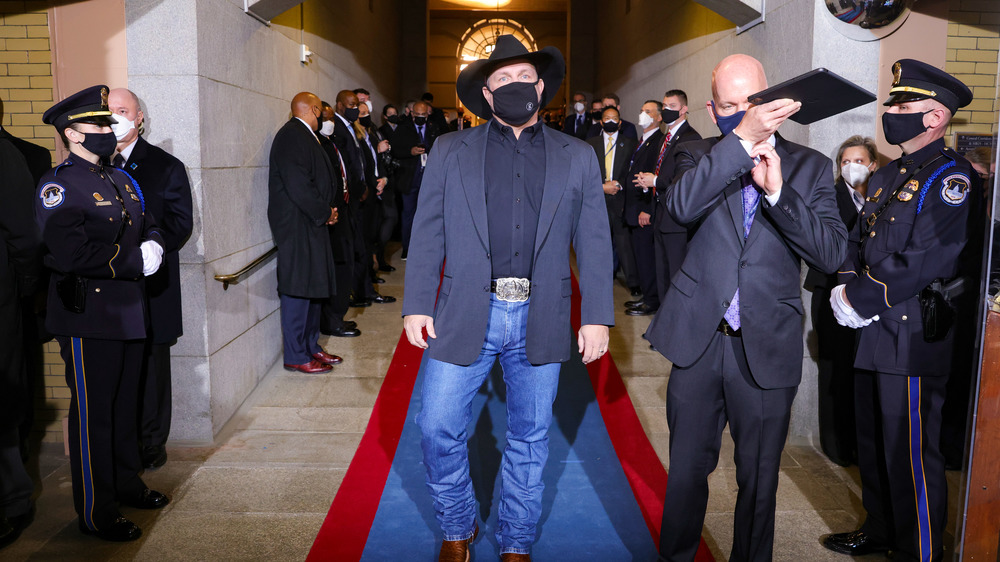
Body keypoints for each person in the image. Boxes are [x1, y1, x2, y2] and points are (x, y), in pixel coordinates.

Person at [402, 35, 613, 562]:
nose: (514, 87)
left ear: (541, 86)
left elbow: (593, 242)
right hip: (464, 309)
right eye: (502, 81)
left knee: (529, 435)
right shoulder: (450, 151)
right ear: (486, 95)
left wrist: (597, 318)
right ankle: (458, 525)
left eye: (523, 78)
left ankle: (516, 539)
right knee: (436, 425)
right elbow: (427, 231)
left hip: (542, 313)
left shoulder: (579, 155)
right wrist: (416, 302)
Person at [644, 55, 847, 561]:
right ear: (714, 111)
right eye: (731, 106)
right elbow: (681, 207)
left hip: (766, 341)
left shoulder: (811, 166)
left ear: (772, 101)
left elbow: (830, 253)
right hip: (699, 338)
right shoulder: (696, 155)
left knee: (759, 480)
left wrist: (779, 194)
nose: (744, 113)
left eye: (752, 102)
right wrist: (740, 144)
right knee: (688, 471)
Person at [822, 59, 980, 562]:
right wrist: (844, 286)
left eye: (903, 105)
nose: (891, 112)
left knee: (909, 450)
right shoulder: (888, 172)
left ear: (934, 117)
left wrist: (861, 298)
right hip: (872, 330)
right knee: (871, 440)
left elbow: (928, 257)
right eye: (893, 103)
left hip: (910, 334)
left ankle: (921, 550)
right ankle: (882, 528)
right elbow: (858, 238)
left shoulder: (949, 177)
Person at [36, 85, 173, 541]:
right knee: (94, 415)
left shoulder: (118, 177)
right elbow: (72, 252)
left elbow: (146, 218)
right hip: (89, 316)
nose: (107, 130)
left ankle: (127, 483)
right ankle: (97, 510)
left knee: (123, 407)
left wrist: (154, 241)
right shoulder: (59, 185)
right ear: (73, 134)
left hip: (130, 310)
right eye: (98, 124)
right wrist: (135, 260)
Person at [107, 88, 194, 470]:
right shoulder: (92, 166)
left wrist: (149, 248)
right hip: (107, 291)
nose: (116, 119)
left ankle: (151, 443)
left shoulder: (165, 166)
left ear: (139, 117)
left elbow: (180, 224)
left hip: (150, 288)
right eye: (108, 112)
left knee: (152, 370)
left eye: (123, 111)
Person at [804, 135, 877, 467]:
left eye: (860, 161)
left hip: (870, 296)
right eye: (846, 161)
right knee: (834, 368)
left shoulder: (882, 196)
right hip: (831, 290)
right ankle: (836, 445)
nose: (853, 167)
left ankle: (861, 445)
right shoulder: (829, 197)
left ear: (872, 165)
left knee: (861, 371)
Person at [267, 91, 342, 374]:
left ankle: (311, 346)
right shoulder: (291, 136)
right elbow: (298, 184)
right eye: (322, 111)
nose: (324, 116)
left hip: (312, 223)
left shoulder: (304, 135)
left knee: (314, 287)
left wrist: (327, 212)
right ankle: (296, 355)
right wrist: (325, 212)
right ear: (313, 109)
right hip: (298, 225)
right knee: (299, 289)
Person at [0, 108, 42, 551]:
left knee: (4, 399)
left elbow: (24, 236)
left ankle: (13, 501)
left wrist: (25, 290)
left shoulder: (6, 154)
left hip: (3, 301)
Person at [634, 89, 702, 303]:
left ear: (684, 109)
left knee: (675, 275)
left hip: (676, 221)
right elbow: (661, 170)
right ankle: (663, 325)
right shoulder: (665, 138)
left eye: (671, 106)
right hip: (660, 216)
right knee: (662, 274)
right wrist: (648, 181)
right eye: (664, 106)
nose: (666, 110)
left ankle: (676, 329)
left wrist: (655, 181)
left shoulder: (691, 138)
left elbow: (684, 180)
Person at [317, 102, 360, 339]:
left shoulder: (335, 143)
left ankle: (338, 317)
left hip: (344, 213)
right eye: (325, 117)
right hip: (330, 218)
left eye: (331, 117)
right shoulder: (318, 146)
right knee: (337, 269)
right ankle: (332, 321)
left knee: (346, 265)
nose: (329, 122)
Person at [587, 106, 639, 296]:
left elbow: (632, 173)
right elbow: (586, 173)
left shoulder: (631, 143)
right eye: (606, 118)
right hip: (597, 200)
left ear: (620, 122)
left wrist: (618, 186)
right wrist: (601, 186)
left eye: (614, 118)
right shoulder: (590, 144)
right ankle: (599, 279)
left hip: (620, 200)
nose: (610, 121)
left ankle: (633, 283)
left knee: (624, 243)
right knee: (598, 243)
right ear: (601, 122)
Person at [622, 100, 665, 317]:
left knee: (647, 258)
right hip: (633, 208)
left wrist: (647, 209)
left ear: (659, 117)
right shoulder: (643, 140)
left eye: (648, 112)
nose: (643, 115)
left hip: (644, 210)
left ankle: (652, 301)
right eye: (641, 111)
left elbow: (654, 175)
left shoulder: (658, 141)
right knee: (640, 256)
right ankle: (647, 297)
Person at [392, 100, 441, 259]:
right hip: (410, 179)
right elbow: (396, 150)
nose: (420, 118)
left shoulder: (434, 128)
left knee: (429, 215)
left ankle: (426, 247)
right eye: (417, 115)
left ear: (428, 114)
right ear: (412, 114)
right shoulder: (403, 129)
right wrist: (410, 151)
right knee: (408, 214)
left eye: (423, 115)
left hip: (429, 179)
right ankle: (407, 247)